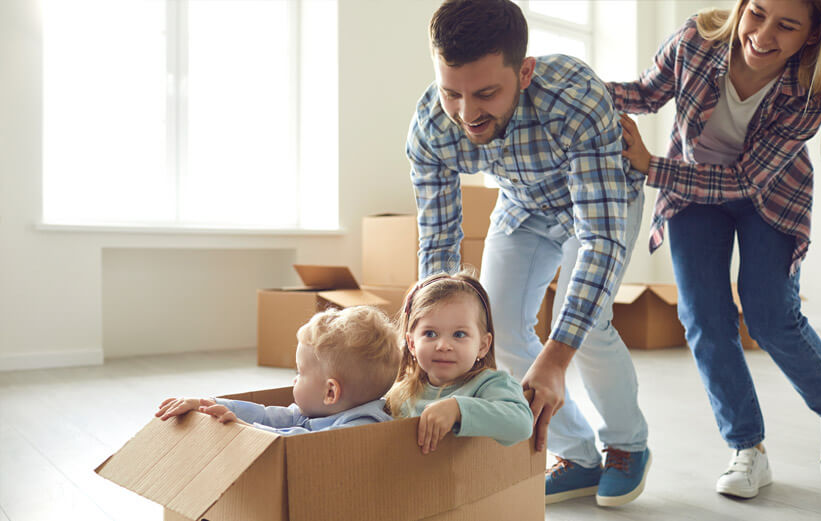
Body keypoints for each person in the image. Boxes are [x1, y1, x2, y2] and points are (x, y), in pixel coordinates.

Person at [405, 0, 650, 506]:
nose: (468, 114)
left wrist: (558, 356)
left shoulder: (576, 99)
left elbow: (600, 240)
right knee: (495, 326)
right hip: (523, 205)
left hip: (600, 200)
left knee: (587, 320)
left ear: (526, 71)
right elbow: (439, 242)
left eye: (487, 93)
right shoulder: (431, 127)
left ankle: (627, 446)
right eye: (453, 93)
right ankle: (578, 455)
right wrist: (426, 329)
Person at [606, 0, 821, 498]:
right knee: (703, 318)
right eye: (757, 12)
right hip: (692, 194)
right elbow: (645, 93)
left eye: (787, 25)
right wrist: (578, 89)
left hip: (768, 198)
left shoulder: (808, 91)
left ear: (811, 37)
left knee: (771, 315)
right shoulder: (697, 40)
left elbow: (747, 179)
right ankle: (747, 448)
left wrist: (651, 166)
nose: (762, 34)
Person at [155, 306, 402, 435]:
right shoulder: (315, 410)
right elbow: (267, 416)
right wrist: (208, 403)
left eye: (300, 372)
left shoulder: (362, 425)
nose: (294, 379)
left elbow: (301, 447)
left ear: (330, 392)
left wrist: (249, 432)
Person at [386, 272, 533, 453]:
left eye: (459, 334)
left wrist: (457, 410)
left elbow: (521, 424)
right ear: (412, 343)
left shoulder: (490, 384)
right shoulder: (401, 393)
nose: (443, 346)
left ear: (483, 345)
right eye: (430, 334)